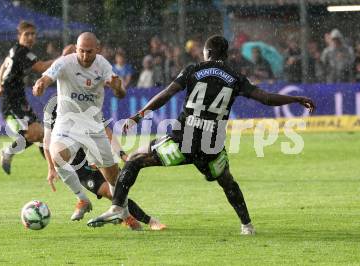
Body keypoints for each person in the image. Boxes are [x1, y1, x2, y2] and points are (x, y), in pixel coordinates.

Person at [88, 35, 315, 235]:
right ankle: (247, 225)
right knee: (227, 182)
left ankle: (118, 208)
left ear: (206, 53)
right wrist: (295, 99)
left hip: (182, 142)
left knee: (135, 160)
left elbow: (167, 94)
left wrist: (139, 116)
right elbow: (266, 98)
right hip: (211, 147)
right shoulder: (235, 77)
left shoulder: (193, 70)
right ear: (226, 55)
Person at [32, 32, 126, 221]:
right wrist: (40, 84)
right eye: (81, 51)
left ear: (97, 50)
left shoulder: (103, 64)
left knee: (113, 177)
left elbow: (120, 93)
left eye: (89, 52)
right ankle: (82, 199)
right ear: (76, 49)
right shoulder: (65, 62)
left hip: (93, 126)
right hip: (67, 125)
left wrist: (117, 87)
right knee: (57, 154)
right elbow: (46, 78)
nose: (84, 56)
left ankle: (122, 212)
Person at [42, 96, 166, 230]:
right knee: (110, 193)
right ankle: (145, 220)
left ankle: (129, 217)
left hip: (95, 153)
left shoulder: (88, 101)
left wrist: (122, 155)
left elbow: (107, 132)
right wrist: (51, 168)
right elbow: (46, 141)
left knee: (118, 191)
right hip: (77, 163)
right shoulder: (52, 106)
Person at [0, 21, 55, 174]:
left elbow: (4, 66)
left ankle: (56, 169)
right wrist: (64, 58)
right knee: (36, 134)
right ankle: (8, 151)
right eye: (27, 34)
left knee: (43, 135)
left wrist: (0, 87)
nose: (30, 37)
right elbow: (42, 67)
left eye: (33, 34)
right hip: (11, 104)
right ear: (20, 36)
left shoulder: (15, 50)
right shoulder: (23, 52)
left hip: (19, 101)